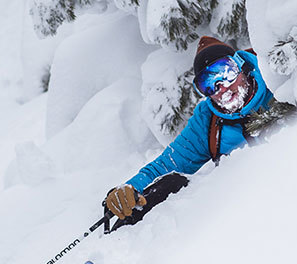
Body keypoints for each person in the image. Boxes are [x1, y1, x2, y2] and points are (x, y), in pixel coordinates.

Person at [104, 36, 274, 231]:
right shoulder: (209, 120)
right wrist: (130, 189)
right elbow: (168, 164)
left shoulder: (276, 78)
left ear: (240, 66)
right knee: (170, 184)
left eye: (226, 72)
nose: (222, 87)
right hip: (238, 206)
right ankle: (124, 245)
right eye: (209, 84)